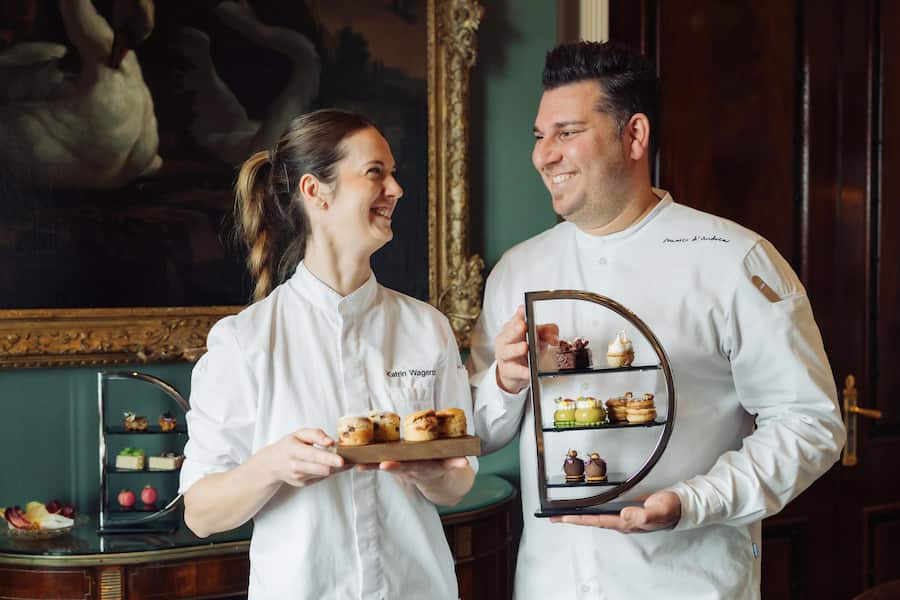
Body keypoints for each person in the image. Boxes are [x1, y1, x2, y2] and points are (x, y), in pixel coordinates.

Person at [468, 41, 845, 599]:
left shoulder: (734, 259)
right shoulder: (517, 270)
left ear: (635, 136)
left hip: (689, 582)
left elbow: (811, 425)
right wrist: (503, 381)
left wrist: (693, 502)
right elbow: (483, 430)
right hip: (552, 583)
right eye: (539, 136)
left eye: (567, 133)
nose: (543, 155)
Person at [179, 109, 476, 599]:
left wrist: (431, 472)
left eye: (394, 174)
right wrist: (272, 465)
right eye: (375, 173)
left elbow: (458, 483)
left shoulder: (428, 329)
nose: (396, 190)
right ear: (316, 192)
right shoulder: (244, 341)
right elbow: (200, 513)